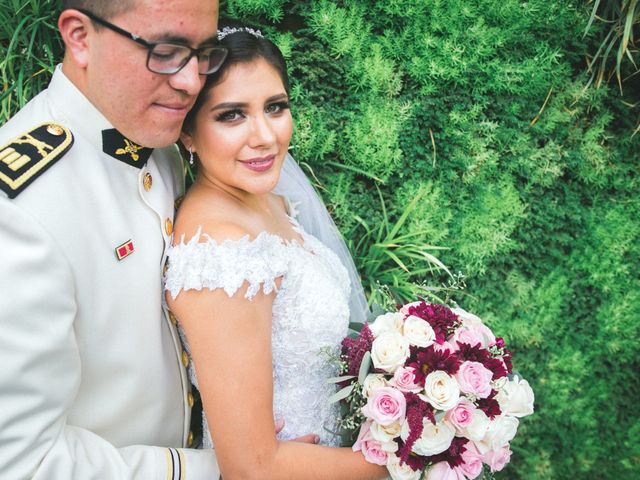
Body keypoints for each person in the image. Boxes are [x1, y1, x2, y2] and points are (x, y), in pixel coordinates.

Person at [0, 1, 226, 478]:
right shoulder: (18, 212)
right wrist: (222, 470)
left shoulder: (156, 139)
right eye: (165, 51)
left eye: (204, 52)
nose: (191, 82)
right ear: (80, 36)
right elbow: (24, 462)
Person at [164, 26, 387, 479]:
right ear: (188, 132)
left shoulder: (267, 201)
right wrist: (411, 459)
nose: (264, 135)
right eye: (231, 115)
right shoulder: (223, 254)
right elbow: (253, 467)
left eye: (275, 107)